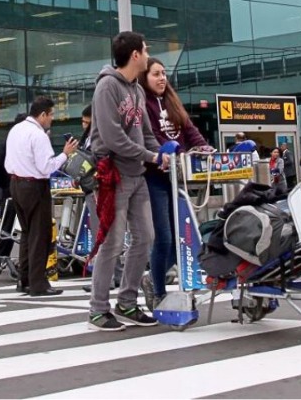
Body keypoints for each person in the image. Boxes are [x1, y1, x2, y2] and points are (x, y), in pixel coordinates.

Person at [87, 31, 165, 332]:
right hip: (113, 176)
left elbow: (144, 132)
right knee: (113, 242)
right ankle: (98, 308)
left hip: (137, 175)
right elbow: (112, 137)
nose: (147, 55)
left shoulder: (136, 90)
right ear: (134, 55)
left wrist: (159, 153)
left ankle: (127, 302)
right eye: (145, 50)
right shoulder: (107, 87)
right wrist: (150, 155)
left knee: (146, 237)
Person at [139, 57, 212, 305]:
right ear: (145, 78)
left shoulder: (172, 101)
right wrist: (169, 153)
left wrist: (202, 146)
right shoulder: (143, 104)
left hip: (178, 177)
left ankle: (152, 278)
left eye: (163, 73)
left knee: (185, 236)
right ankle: (158, 290)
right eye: (155, 74)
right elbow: (153, 137)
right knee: (165, 237)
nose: (161, 78)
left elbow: (189, 129)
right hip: (155, 178)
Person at [5, 98, 77, 297]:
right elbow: (47, 167)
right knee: (40, 235)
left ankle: (24, 279)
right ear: (43, 114)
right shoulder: (38, 135)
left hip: (16, 183)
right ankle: (38, 283)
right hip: (35, 185)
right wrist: (65, 154)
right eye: (51, 114)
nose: (52, 119)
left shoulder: (15, 130)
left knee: (28, 233)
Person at [0, 115, 25, 275]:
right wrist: (6, 185)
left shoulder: (12, 141)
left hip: (12, 188)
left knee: (9, 226)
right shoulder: (11, 143)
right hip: (12, 189)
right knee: (9, 226)